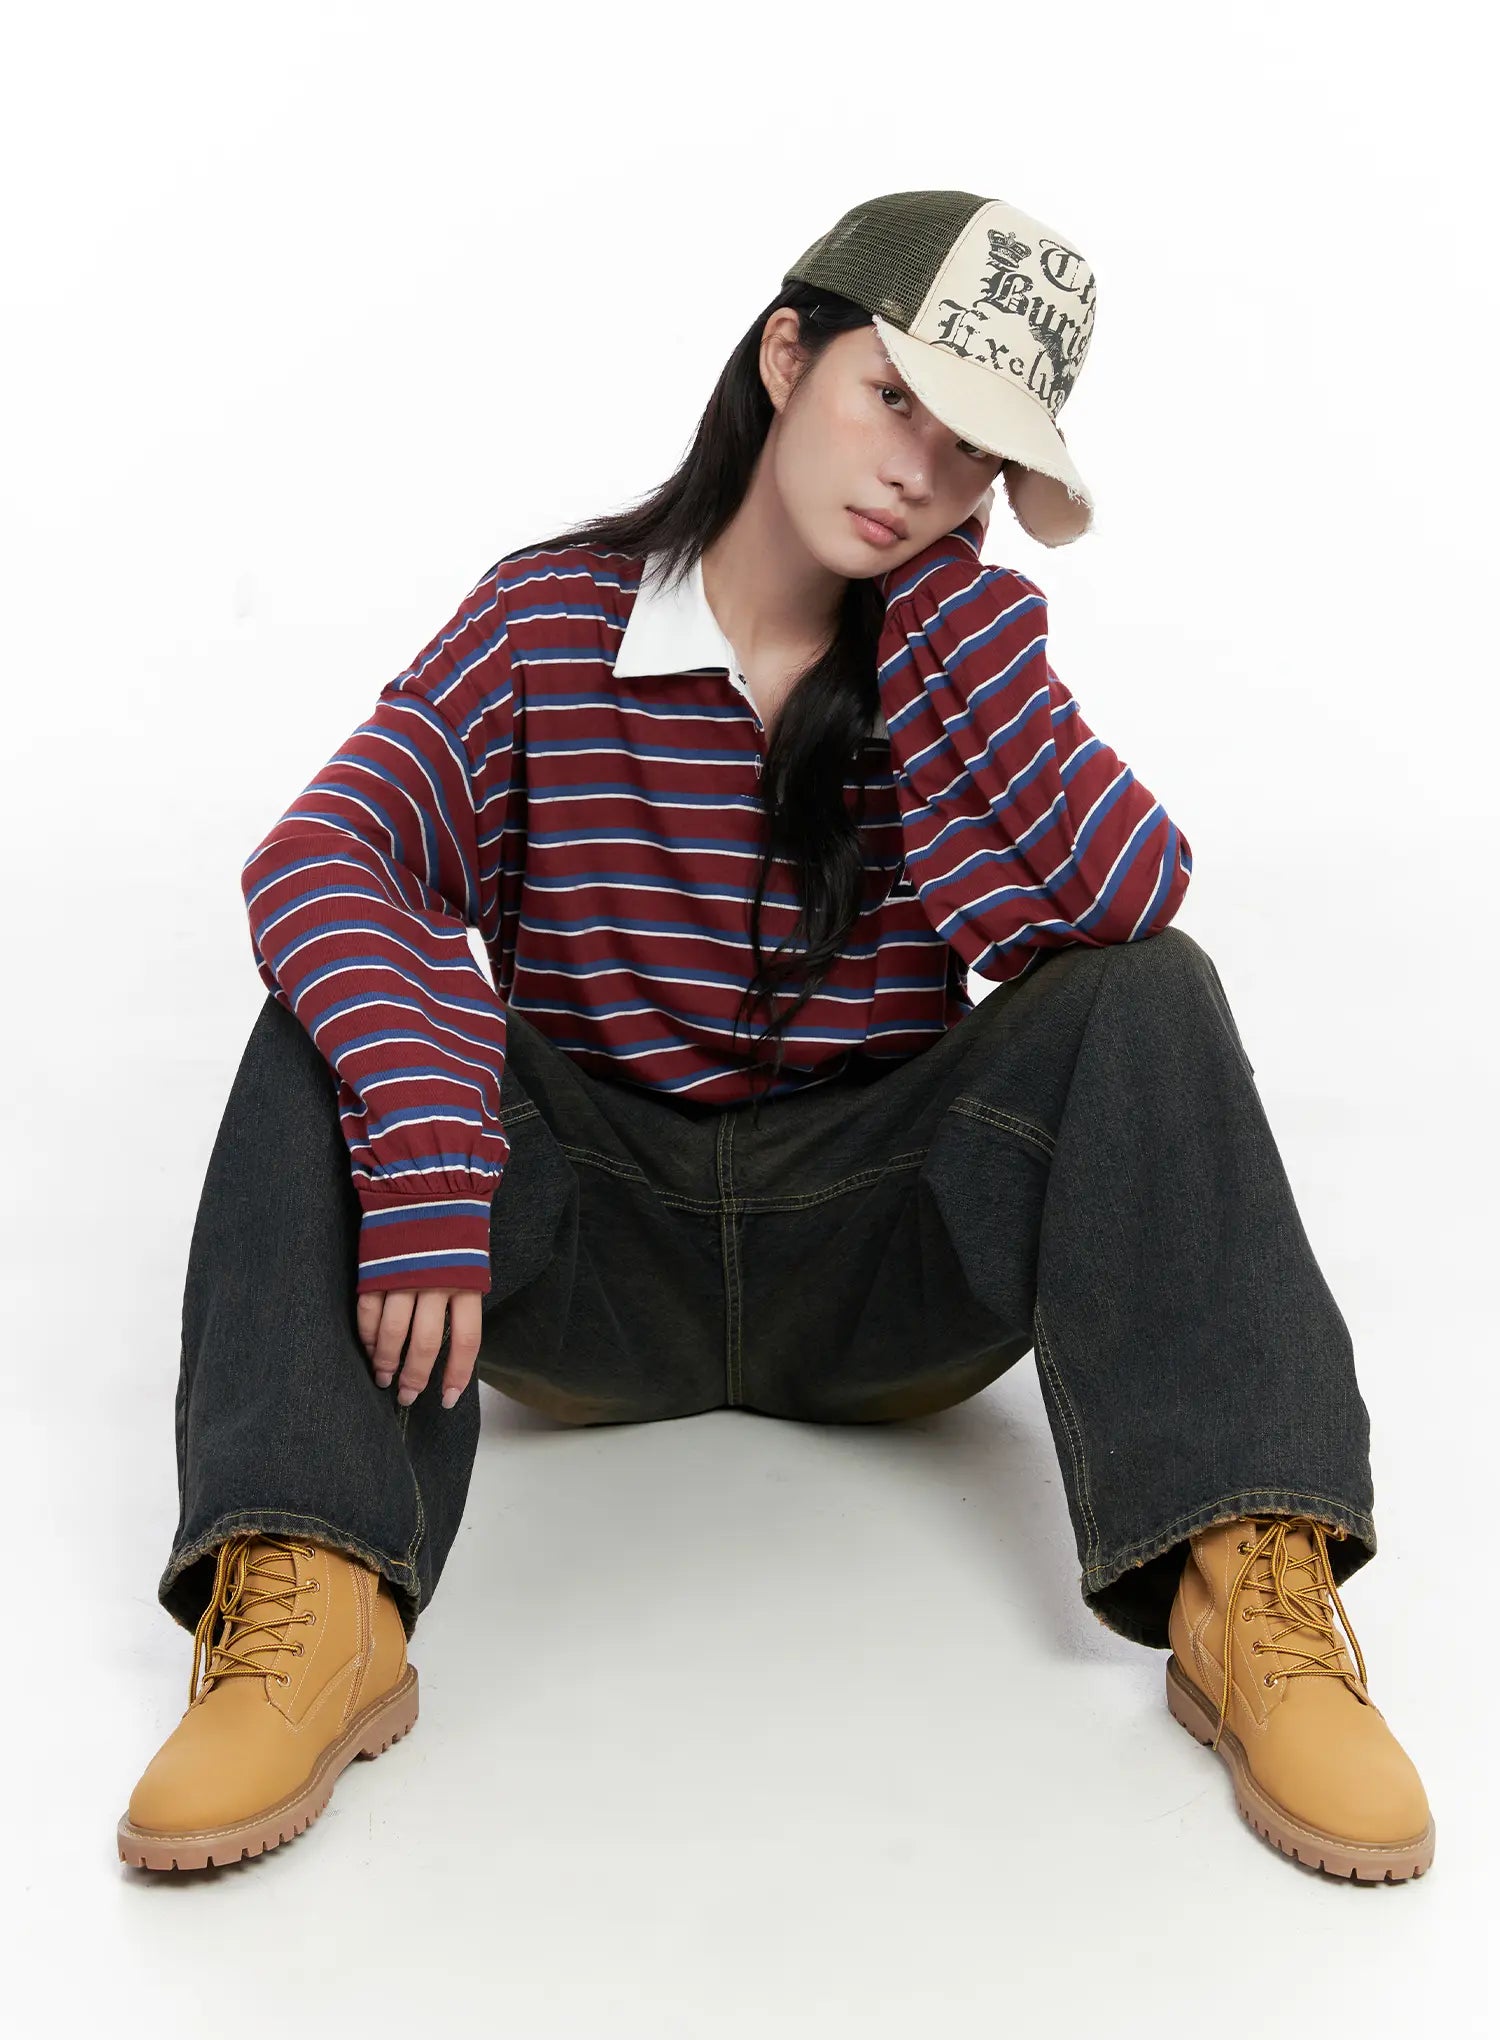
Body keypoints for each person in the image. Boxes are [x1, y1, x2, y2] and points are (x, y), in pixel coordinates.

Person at [117, 190, 1434, 1882]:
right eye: (896, 401)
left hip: (879, 1258)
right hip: (590, 1259)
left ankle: (1247, 1582)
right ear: (788, 356)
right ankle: (315, 1591)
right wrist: (435, 1137)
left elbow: (1126, 896)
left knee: (1152, 991)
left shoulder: (952, 656)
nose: (919, 475)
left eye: (973, 457)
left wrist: (956, 628)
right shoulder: (546, 626)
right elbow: (323, 856)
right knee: (330, 1006)